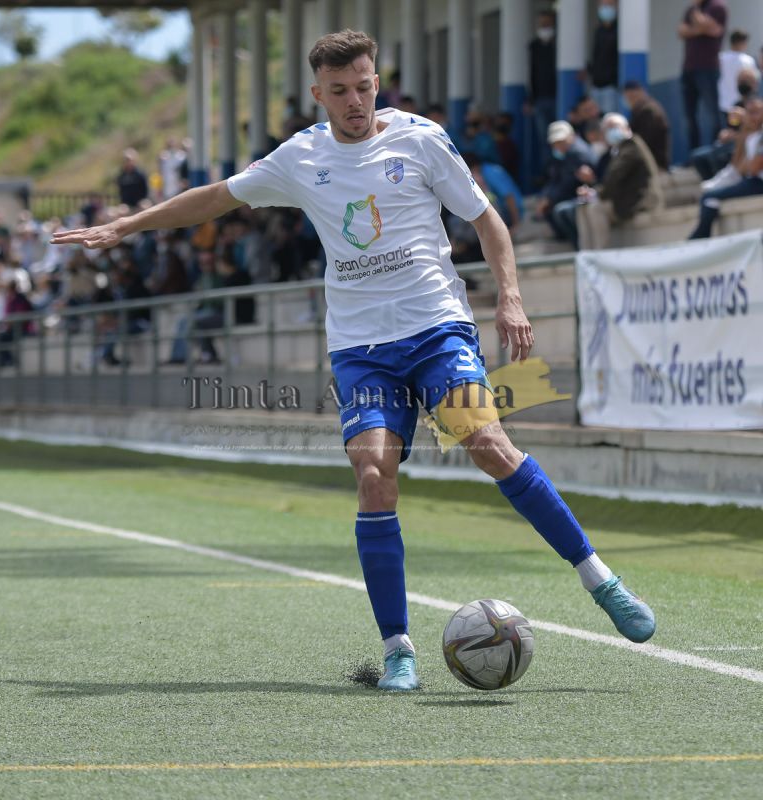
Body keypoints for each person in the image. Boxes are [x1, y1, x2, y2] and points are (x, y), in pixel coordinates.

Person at [52, 29, 656, 691]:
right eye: (339, 91)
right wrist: (125, 225)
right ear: (319, 94)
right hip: (361, 350)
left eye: (364, 86)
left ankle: (601, 581)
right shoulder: (300, 157)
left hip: (436, 329)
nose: (355, 101)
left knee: (486, 443)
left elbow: (487, 221)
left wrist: (510, 296)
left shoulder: (421, 139)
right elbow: (217, 197)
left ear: (376, 84)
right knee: (373, 473)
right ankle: (399, 651)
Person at [575, 114, 664, 250]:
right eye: (608, 129)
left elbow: (614, 178)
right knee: (582, 206)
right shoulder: (617, 150)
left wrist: (596, 194)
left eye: (615, 127)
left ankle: (601, 252)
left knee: (595, 208)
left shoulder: (632, 147)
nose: (612, 131)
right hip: (624, 198)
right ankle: (586, 252)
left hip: (640, 200)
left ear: (627, 128)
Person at [689, 97, 763, 239]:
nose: (752, 117)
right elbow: (739, 166)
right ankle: (701, 234)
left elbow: (752, 169)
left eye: (756, 112)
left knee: (710, 196)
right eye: (749, 113)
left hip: (758, 183)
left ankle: (700, 235)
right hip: (752, 181)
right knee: (709, 196)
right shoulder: (750, 135)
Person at [678, 0, 727, 150]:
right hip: (689, 69)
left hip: (708, 68)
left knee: (713, 115)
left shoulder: (717, 7)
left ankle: (716, 152)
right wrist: (700, 29)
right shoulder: (691, 9)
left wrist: (697, 19)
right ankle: (694, 154)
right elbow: (681, 31)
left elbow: (713, 29)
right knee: (690, 117)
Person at [536, 121, 591, 241]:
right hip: (569, 194)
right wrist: (545, 197)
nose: (558, 145)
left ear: (571, 136)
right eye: (555, 142)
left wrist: (549, 199)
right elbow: (554, 178)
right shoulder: (561, 155)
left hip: (581, 195)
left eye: (561, 141)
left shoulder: (577, 153)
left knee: (559, 209)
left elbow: (569, 183)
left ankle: (577, 244)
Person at [525, 10, 558, 154]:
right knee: (544, 139)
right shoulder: (534, 46)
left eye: (547, 23)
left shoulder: (559, 44)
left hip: (557, 97)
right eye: (542, 24)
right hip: (539, 99)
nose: (544, 26)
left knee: (559, 135)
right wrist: (530, 99)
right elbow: (532, 73)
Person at [623, 81, 671, 171]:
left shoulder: (648, 111)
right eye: (628, 98)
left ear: (642, 92)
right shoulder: (640, 110)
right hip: (649, 164)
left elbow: (643, 141)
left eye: (633, 96)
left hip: (654, 165)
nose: (630, 100)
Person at [718, 30, 759, 124]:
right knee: (737, 128)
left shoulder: (720, 58)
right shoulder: (748, 60)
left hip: (723, 103)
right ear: (742, 42)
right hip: (742, 106)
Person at [586, 0, 619, 113]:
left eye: (609, 5)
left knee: (609, 118)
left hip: (612, 87)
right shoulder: (598, 31)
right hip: (596, 86)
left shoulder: (620, 30)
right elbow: (596, 56)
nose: (606, 8)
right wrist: (590, 70)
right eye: (603, 5)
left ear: (616, 6)